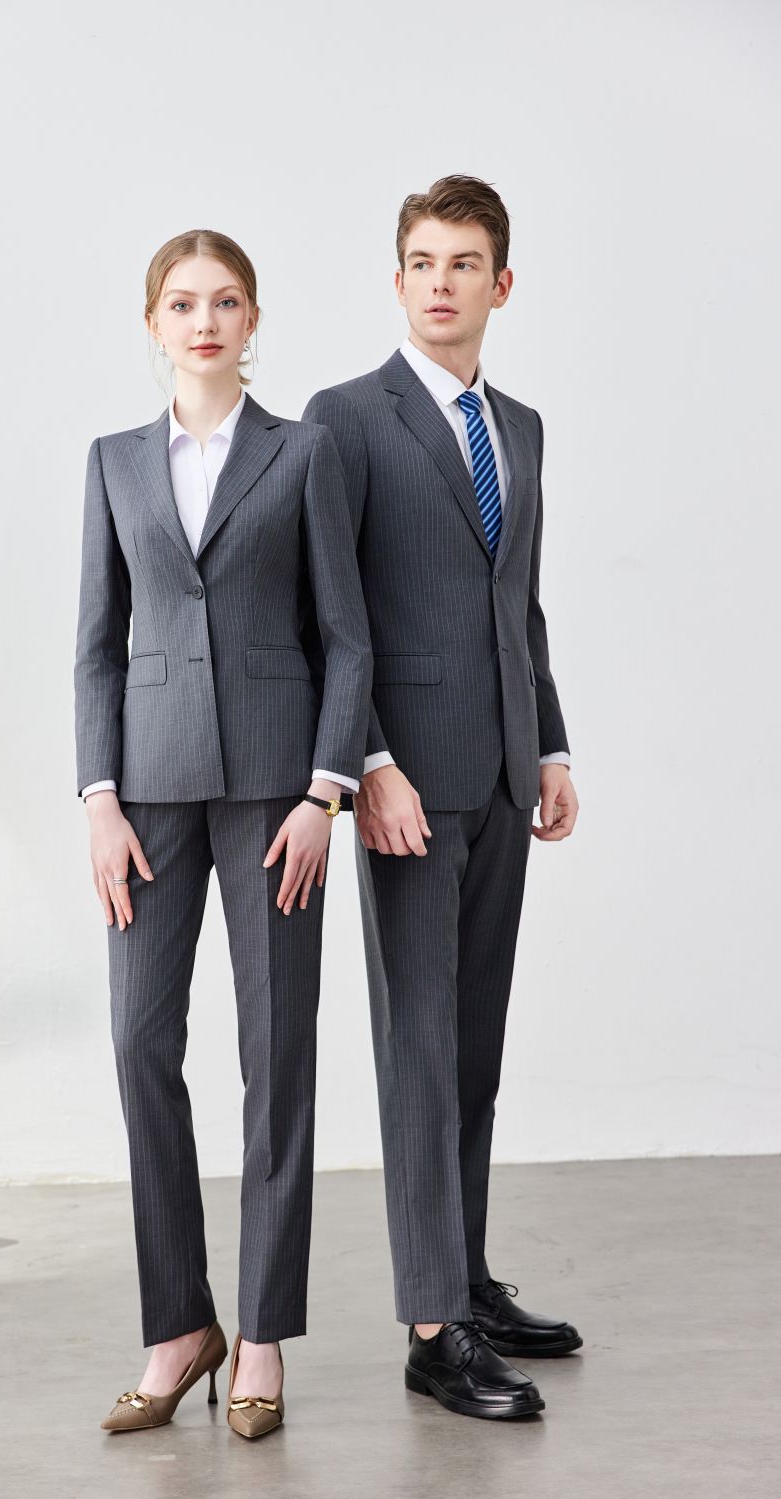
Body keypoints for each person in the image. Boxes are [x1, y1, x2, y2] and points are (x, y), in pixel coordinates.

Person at [74, 229, 372, 1439]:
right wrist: (98, 797)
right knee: (139, 1040)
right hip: (145, 794)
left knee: (276, 1053)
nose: (205, 321)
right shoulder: (111, 461)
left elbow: (345, 637)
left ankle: (260, 1332)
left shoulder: (303, 453)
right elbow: (96, 646)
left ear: (253, 320)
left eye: (226, 301)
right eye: (183, 302)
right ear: (153, 321)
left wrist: (323, 793)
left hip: (273, 796)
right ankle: (177, 1324)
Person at [303, 175, 581, 1421]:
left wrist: (552, 744)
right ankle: (430, 1327)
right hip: (404, 782)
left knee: (472, 1045)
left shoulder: (518, 425)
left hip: (503, 771)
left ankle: (464, 1276)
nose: (440, 282)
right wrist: (366, 762)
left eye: (463, 263)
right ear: (397, 277)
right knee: (417, 1046)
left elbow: (518, 602)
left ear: (499, 284)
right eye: (421, 261)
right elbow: (329, 612)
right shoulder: (343, 419)